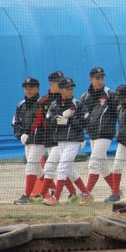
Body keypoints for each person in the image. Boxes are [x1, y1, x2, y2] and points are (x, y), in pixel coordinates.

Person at [43, 77, 93, 206]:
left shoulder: (78, 104)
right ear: (60, 90)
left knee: (62, 167)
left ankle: (56, 197)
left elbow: (87, 120)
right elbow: (48, 120)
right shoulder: (54, 105)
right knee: (70, 169)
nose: (70, 91)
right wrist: (58, 118)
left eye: (71, 89)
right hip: (60, 140)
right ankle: (86, 194)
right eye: (67, 89)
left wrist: (69, 121)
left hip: (74, 140)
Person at [32, 71, 79, 203]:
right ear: (51, 83)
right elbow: (39, 120)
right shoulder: (43, 101)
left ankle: (74, 193)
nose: (61, 84)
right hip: (50, 138)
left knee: (63, 167)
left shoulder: (69, 100)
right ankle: (74, 193)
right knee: (56, 167)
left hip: (64, 138)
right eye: (58, 82)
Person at [80, 67, 118, 197]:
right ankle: (116, 192)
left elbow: (119, 113)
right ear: (90, 79)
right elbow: (81, 118)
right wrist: (80, 136)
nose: (100, 81)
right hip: (93, 135)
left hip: (105, 134)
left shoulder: (110, 95)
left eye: (102, 78)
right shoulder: (84, 97)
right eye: (97, 78)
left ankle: (86, 194)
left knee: (93, 163)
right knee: (103, 165)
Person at [12, 77, 46, 204]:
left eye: (31, 87)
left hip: (40, 140)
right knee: (37, 169)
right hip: (28, 142)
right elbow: (16, 122)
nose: (28, 90)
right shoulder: (20, 105)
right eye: (26, 88)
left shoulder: (42, 103)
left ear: (38, 88)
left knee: (31, 164)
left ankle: (26, 195)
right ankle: (53, 188)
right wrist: (20, 135)